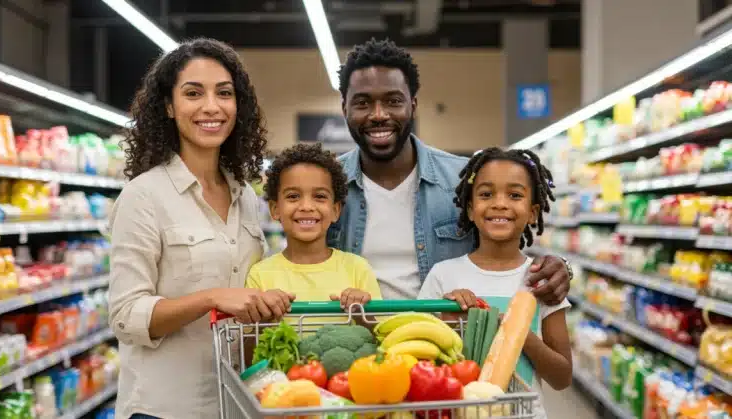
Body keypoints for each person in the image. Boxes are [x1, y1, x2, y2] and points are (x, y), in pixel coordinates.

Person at [107, 38, 293, 419]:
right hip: (163, 408)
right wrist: (212, 298)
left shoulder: (244, 196)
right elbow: (126, 315)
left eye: (224, 93)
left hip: (235, 403)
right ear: (169, 106)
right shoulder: (144, 196)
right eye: (194, 93)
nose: (211, 106)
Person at [328, 38, 573, 306]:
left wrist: (559, 267)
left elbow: (506, 252)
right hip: (353, 339)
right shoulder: (325, 185)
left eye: (393, 101)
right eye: (362, 103)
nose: (378, 114)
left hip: (446, 339)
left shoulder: (464, 179)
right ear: (345, 109)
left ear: (413, 105)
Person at [417, 147, 572, 417]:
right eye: (486, 194)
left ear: (533, 212)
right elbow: (417, 362)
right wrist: (447, 321)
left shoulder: (541, 280)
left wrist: (514, 330)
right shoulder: (443, 275)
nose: (500, 203)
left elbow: (562, 378)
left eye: (515, 195)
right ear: (470, 208)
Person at [245, 143, 382, 312]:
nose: (307, 206)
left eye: (319, 196)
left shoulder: (357, 269)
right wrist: (266, 314)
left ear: (335, 210)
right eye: (293, 196)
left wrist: (360, 313)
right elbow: (249, 337)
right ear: (275, 209)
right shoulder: (260, 275)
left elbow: (379, 333)